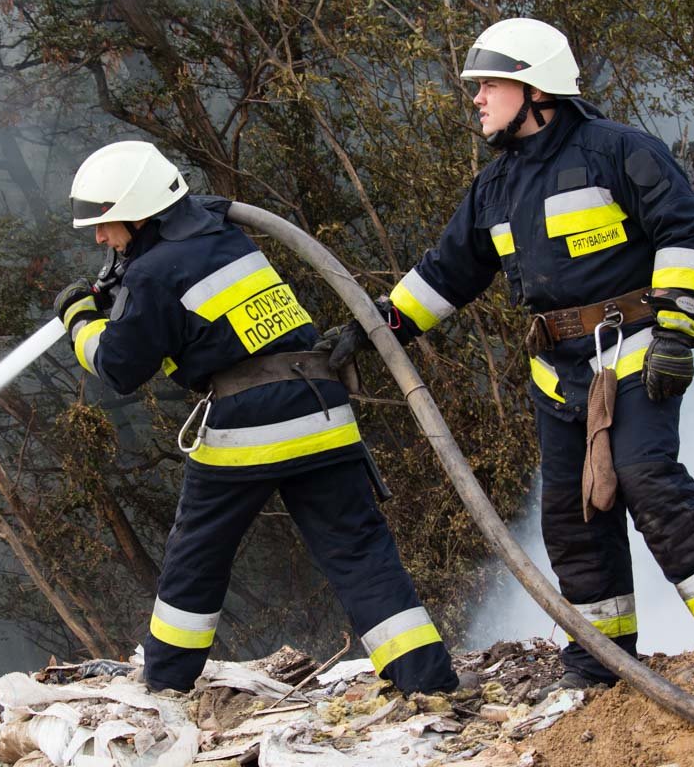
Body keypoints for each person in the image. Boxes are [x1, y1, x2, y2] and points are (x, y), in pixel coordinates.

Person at [328, 19, 694, 694]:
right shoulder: (495, 188)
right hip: (556, 372)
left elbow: (683, 235)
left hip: (633, 350)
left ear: (536, 89)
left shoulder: (620, 152)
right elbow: (447, 274)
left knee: (643, 476)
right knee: (571, 515)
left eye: (489, 85)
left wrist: (679, 333)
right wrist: (376, 326)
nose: (477, 98)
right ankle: (600, 658)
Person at [53, 140, 458, 694]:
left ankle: (165, 683)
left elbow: (119, 367)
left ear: (142, 212)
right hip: (321, 408)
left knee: (196, 557)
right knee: (359, 553)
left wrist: (80, 318)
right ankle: (428, 683)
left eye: (107, 224)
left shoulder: (152, 274)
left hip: (250, 421)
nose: (100, 237)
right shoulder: (223, 236)